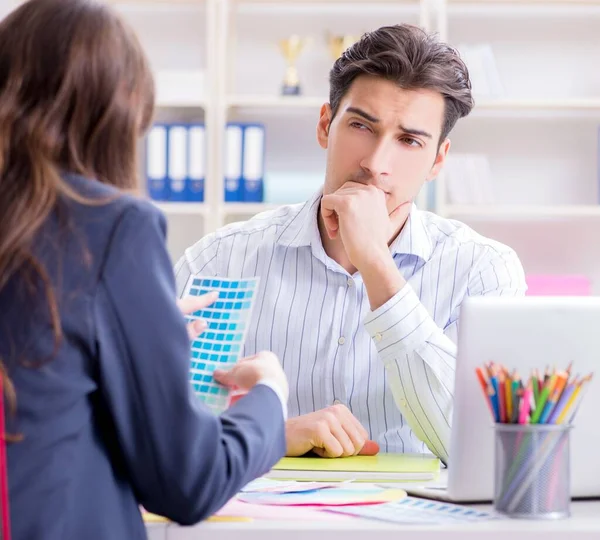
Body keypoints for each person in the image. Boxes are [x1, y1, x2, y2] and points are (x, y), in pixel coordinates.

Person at [0, 1, 288, 540]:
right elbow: (189, 482)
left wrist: (128, 328)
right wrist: (271, 396)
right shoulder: (112, 226)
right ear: (122, 111)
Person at [176, 23, 527, 464]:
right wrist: (268, 434)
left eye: (409, 140)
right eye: (362, 125)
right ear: (326, 125)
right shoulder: (218, 260)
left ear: (438, 159)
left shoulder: (483, 271)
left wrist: (376, 262)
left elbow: (478, 452)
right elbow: (155, 432)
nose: (375, 164)